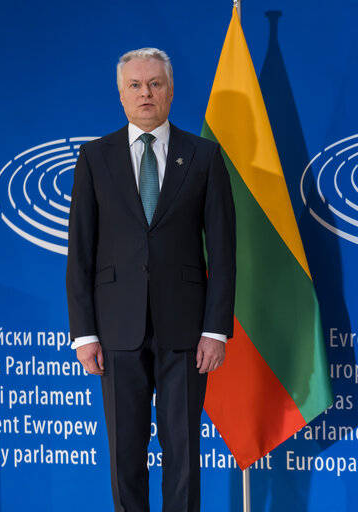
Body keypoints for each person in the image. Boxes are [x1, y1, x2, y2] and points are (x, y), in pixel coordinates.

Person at [66, 47, 236, 511]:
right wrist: (84, 333)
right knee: (125, 455)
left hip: (185, 329)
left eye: (155, 84)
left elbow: (222, 252)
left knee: (183, 454)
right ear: (121, 96)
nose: (146, 93)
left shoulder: (203, 156)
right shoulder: (94, 157)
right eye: (135, 86)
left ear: (171, 91)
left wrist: (215, 329)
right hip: (116, 329)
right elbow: (79, 253)